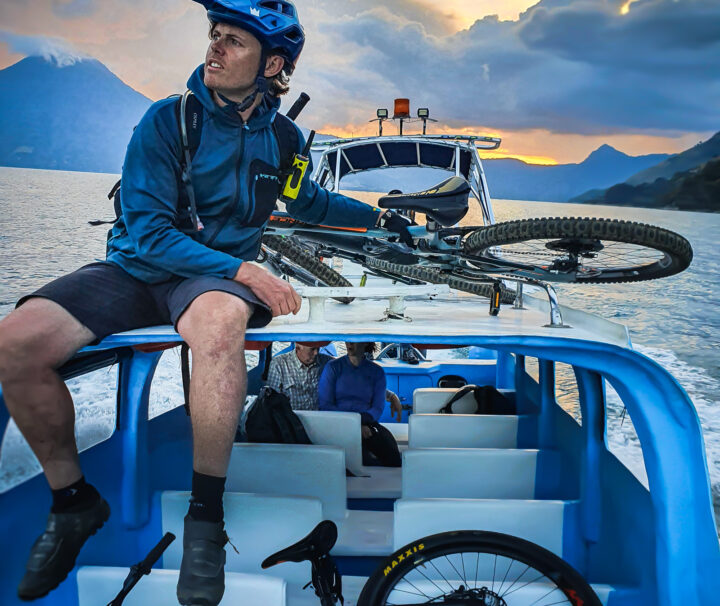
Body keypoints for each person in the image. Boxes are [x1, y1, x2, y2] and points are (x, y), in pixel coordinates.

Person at [0, 1, 412, 604]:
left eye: (233, 42)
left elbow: (309, 203)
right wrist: (247, 269)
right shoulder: (167, 122)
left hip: (204, 284)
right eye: (214, 36)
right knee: (15, 343)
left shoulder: (284, 138)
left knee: (221, 322)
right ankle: (72, 503)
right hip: (139, 267)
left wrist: (383, 220)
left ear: (273, 63)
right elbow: (148, 234)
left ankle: (204, 521)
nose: (214, 49)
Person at [265, 342, 403, 419]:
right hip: (291, 422)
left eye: (318, 348)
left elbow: (355, 382)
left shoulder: (327, 363)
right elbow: (270, 402)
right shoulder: (279, 364)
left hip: (322, 423)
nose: (316, 353)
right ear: (297, 346)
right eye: (312, 349)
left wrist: (390, 395)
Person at [318, 342, 402, 467]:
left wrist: (361, 423)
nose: (349, 343)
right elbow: (325, 405)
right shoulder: (333, 367)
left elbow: (377, 408)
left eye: (354, 340)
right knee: (355, 459)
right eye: (347, 339)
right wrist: (353, 425)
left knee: (393, 459)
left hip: (367, 424)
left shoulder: (376, 372)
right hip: (337, 424)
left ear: (365, 342)